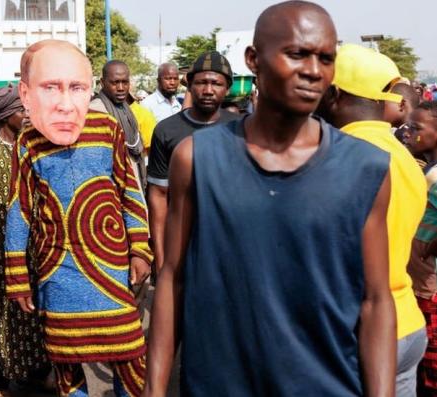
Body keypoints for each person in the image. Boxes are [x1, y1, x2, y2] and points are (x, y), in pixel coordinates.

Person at [144, 2, 396, 396]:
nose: (314, 70)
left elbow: (375, 301)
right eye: (297, 53)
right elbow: (173, 279)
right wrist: (154, 391)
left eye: (326, 58)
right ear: (253, 60)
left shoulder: (366, 168)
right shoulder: (197, 159)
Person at [5, 39, 151, 397]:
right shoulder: (28, 141)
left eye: (75, 86)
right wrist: (18, 276)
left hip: (110, 264)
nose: (64, 98)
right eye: (51, 87)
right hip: (57, 267)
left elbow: (128, 189)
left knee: (130, 354)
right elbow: (19, 209)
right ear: (29, 93)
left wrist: (139, 250)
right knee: (66, 362)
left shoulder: (107, 129)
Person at [316, 43, 427, 397]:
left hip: (359, 331)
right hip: (407, 322)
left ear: (333, 94)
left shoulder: (339, 157)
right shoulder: (407, 157)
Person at [0, 84, 51, 397]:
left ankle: (37, 373)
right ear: (4, 116)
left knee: (33, 317)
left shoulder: (37, 147)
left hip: (35, 249)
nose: (27, 115)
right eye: (21, 110)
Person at [146, 51, 239, 272]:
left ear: (226, 88)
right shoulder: (167, 130)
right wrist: (161, 258)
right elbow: (158, 196)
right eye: (201, 83)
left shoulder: (241, 128)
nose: (208, 90)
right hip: (183, 245)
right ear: (189, 85)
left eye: (216, 83)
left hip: (231, 246)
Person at [405, 101, 437, 394]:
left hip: (430, 285)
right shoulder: (428, 167)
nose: (408, 133)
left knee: (431, 370)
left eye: (416, 128)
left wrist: (427, 248)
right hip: (421, 281)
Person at [90, 60, 146, 189]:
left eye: (125, 82)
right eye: (115, 83)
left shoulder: (126, 109)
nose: (121, 88)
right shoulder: (96, 111)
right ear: (103, 83)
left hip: (133, 183)